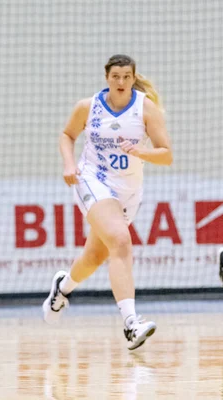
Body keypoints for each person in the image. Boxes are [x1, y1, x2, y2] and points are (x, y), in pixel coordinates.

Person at [42, 54, 173, 350]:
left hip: (129, 189)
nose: (121, 82)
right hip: (92, 178)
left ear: (133, 78)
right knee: (121, 241)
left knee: (96, 255)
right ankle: (131, 324)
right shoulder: (88, 107)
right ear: (107, 78)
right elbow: (67, 135)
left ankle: (61, 290)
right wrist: (68, 164)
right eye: (116, 76)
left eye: (127, 76)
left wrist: (141, 152)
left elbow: (166, 154)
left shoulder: (145, 108)